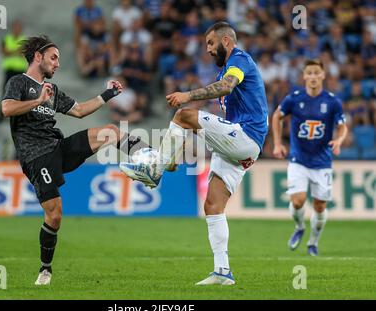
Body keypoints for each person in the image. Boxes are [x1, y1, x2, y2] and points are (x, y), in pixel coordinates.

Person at [120, 22, 269, 285]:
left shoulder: (239, 59)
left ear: (226, 41)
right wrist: (174, 157)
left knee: (183, 114)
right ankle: (223, 272)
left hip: (247, 135)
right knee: (213, 205)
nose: (208, 50)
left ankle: (154, 169)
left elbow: (226, 86)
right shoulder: (226, 67)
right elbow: (202, 127)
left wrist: (187, 95)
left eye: (211, 43)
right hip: (241, 148)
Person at [1, 35, 149, 286]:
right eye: (54, 57)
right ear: (38, 57)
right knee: (55, 216)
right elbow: (6, 109)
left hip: (58, 147)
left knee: (110, 132)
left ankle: (150, 156)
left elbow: (79, 110)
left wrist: (107, 94)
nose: (58, 64)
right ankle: (45, 269)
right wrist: (37, 101)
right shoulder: (19, 82)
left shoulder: (53, 90)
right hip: (36, 157)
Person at [272, 59, 348, 256]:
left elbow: (342, 125)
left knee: (319, 205)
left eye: (317, 73)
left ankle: (313, 242)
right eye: (309, 73)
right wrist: (278, 143)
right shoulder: (294, 99)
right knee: (297, 201)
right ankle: (299, 227)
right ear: (304, 76)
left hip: (322, 162)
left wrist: (339, 140)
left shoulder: (332, 101)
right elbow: (276, 116)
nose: (313, 77)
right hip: (299, 159)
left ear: (323, 75)